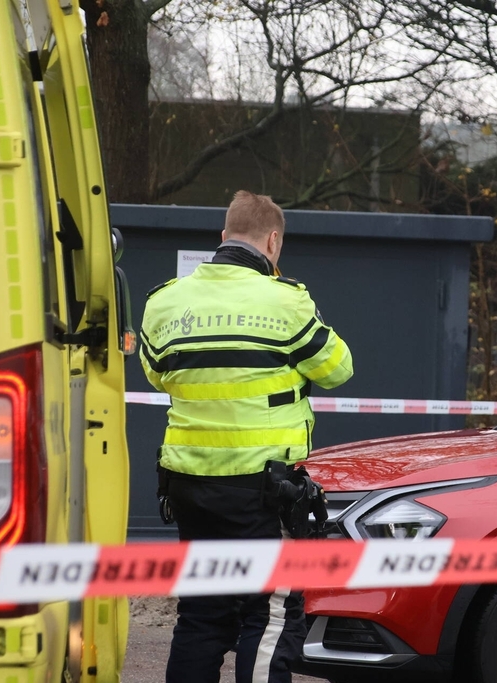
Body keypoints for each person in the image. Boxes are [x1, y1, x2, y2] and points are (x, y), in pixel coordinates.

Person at [139, 190, 354, 683]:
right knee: (271, 613)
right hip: (263, 490)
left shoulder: (165, 300)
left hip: (188, 483)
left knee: (203, 614)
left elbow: (157, 374)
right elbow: (339, 368)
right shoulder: (285, 300)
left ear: (222, 238)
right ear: (273, 241)